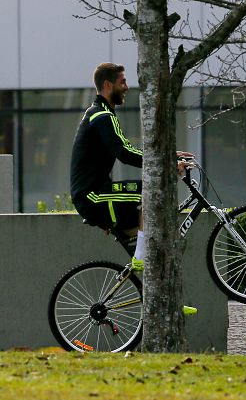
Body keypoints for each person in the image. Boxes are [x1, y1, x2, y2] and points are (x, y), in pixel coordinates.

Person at [70, 62, 196, 314]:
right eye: (122, 82)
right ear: (108, 85)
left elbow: (128, 150)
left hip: (98, 194)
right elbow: (125, 152)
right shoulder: (102, 115)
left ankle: (168, 303)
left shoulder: (101, 113)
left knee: (155, 248)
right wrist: (167, 164)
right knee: (150, 189)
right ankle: (140, 256)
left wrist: (167, 155)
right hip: (94, 195)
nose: (127, 87)